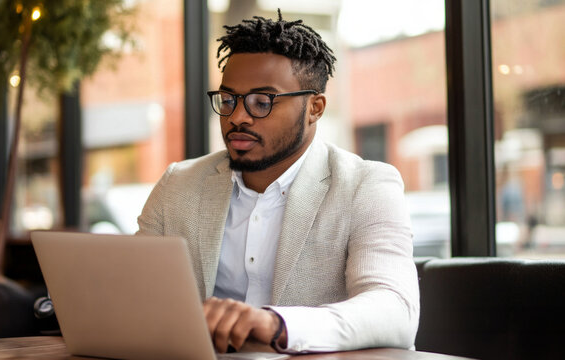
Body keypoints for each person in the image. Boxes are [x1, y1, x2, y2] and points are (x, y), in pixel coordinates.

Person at [136, 10, 419, 354]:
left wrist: (275, 324)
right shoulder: (178, 185)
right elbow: (133, 293)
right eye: (228, 100)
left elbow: (394, 310)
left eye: (262, 102)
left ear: (315, 108)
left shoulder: (366, 186)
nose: (237, 117)